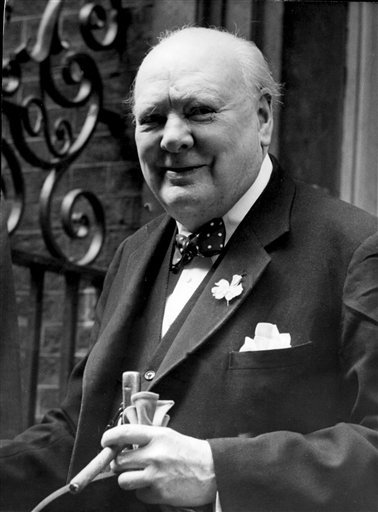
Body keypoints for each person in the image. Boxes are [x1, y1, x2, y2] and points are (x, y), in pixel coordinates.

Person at [1, 26, 378, 512]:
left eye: (199, 111)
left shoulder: (355, 248)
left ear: (263, 119)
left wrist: (218, 470)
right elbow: (82, 432)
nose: (173, 138)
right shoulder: (133, 253)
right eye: (152, 119)